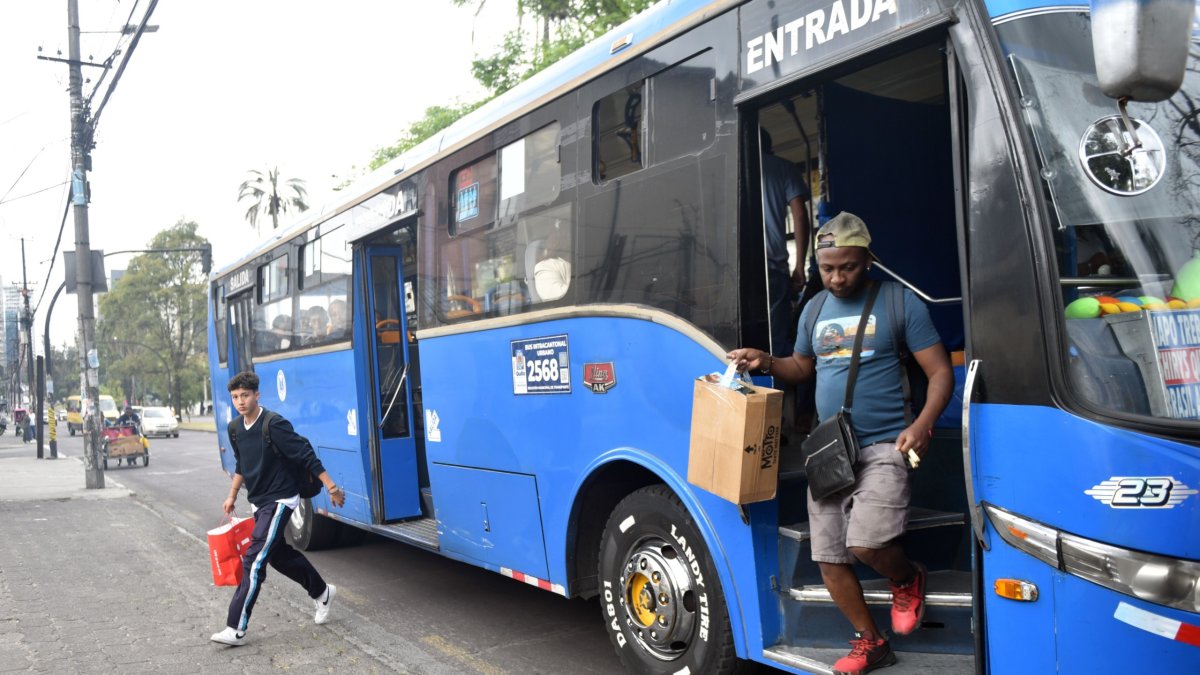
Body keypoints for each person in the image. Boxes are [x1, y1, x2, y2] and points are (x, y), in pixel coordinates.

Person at [728, 212, 953, 675]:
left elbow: (940, 372)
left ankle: (907, 577)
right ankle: (871, 642)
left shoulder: (898, 303)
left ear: (867, 260)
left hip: (885, 446)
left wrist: (925, 424)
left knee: (867, 544)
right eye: (827, 268)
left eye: (847, 267)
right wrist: (766, 360)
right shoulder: (813, 309)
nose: (836, 277)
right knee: (829, 555)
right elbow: (801, 369)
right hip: (830, 451)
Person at [210, 370, 347, 647]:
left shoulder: (273, 424)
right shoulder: (235, 428)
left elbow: (304, 454)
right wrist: (232, 494)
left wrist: (331, 487)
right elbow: (242, 464)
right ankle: (322, 592)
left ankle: (235, 627)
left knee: (254, 559)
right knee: (277, 555)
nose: (240, 401)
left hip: (282, 498)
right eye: (235, 397)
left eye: (245, 395)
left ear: (256, 395)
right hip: (259, 499)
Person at [760, 128, 811, 357]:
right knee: (775, 340)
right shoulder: (783, 168)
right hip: (772, 267)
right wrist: (800, 266)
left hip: (733, 271)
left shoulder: (730, 167)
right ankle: (778, 390)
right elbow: (800, 215)